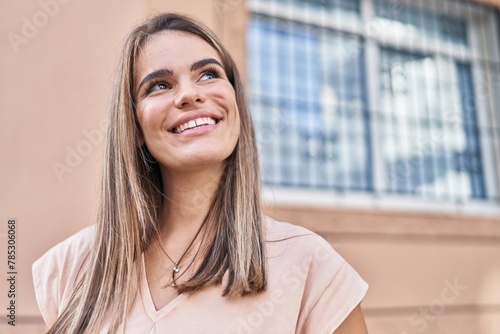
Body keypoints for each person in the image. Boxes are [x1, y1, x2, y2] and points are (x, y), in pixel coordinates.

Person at [32, 13, 369, 334]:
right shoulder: (71, 266)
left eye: (209, 74)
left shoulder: (309, 266)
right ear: (133, 125)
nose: (190, 94)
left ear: (234, 100)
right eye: (159, 85)